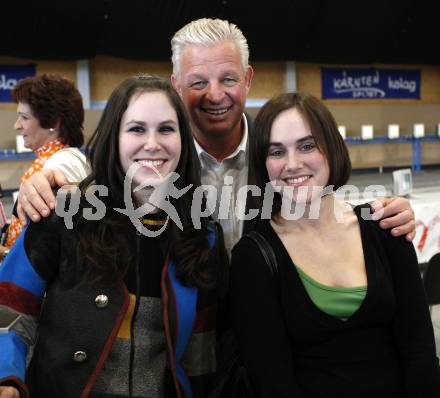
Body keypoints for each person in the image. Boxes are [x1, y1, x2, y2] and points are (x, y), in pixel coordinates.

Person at [15, 18, 416, 253]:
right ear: (175, 85)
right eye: (198, 81)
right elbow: (94, 193)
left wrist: (380, 216)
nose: (215, 94)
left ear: (248, 79)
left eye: (228, 78)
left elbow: (326, 209)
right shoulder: (147, 165)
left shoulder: (277, 158)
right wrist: (43, 183)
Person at [0, 75, 228, 398]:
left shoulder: (201, 236)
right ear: (114, 137)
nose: (152, 143)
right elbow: (9, 306)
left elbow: (201, 354)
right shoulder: (63, 211)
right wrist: (7, 378)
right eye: (136, 129)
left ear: (183, 140)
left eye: (166, 129)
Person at [230, 92, 440, 397]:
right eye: (276, 152)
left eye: (306, 145)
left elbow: (419, 350)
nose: (292, 163)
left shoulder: (384, 226)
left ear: (331, 147)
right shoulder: (254, 258)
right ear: (263, 164)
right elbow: (273, 383)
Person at [0, 73, 89, 261]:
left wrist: (6, 254)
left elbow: (54, 247)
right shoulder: (58, 158)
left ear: (53, 122)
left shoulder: (63, 163)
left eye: (24, 117)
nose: (17, 126)